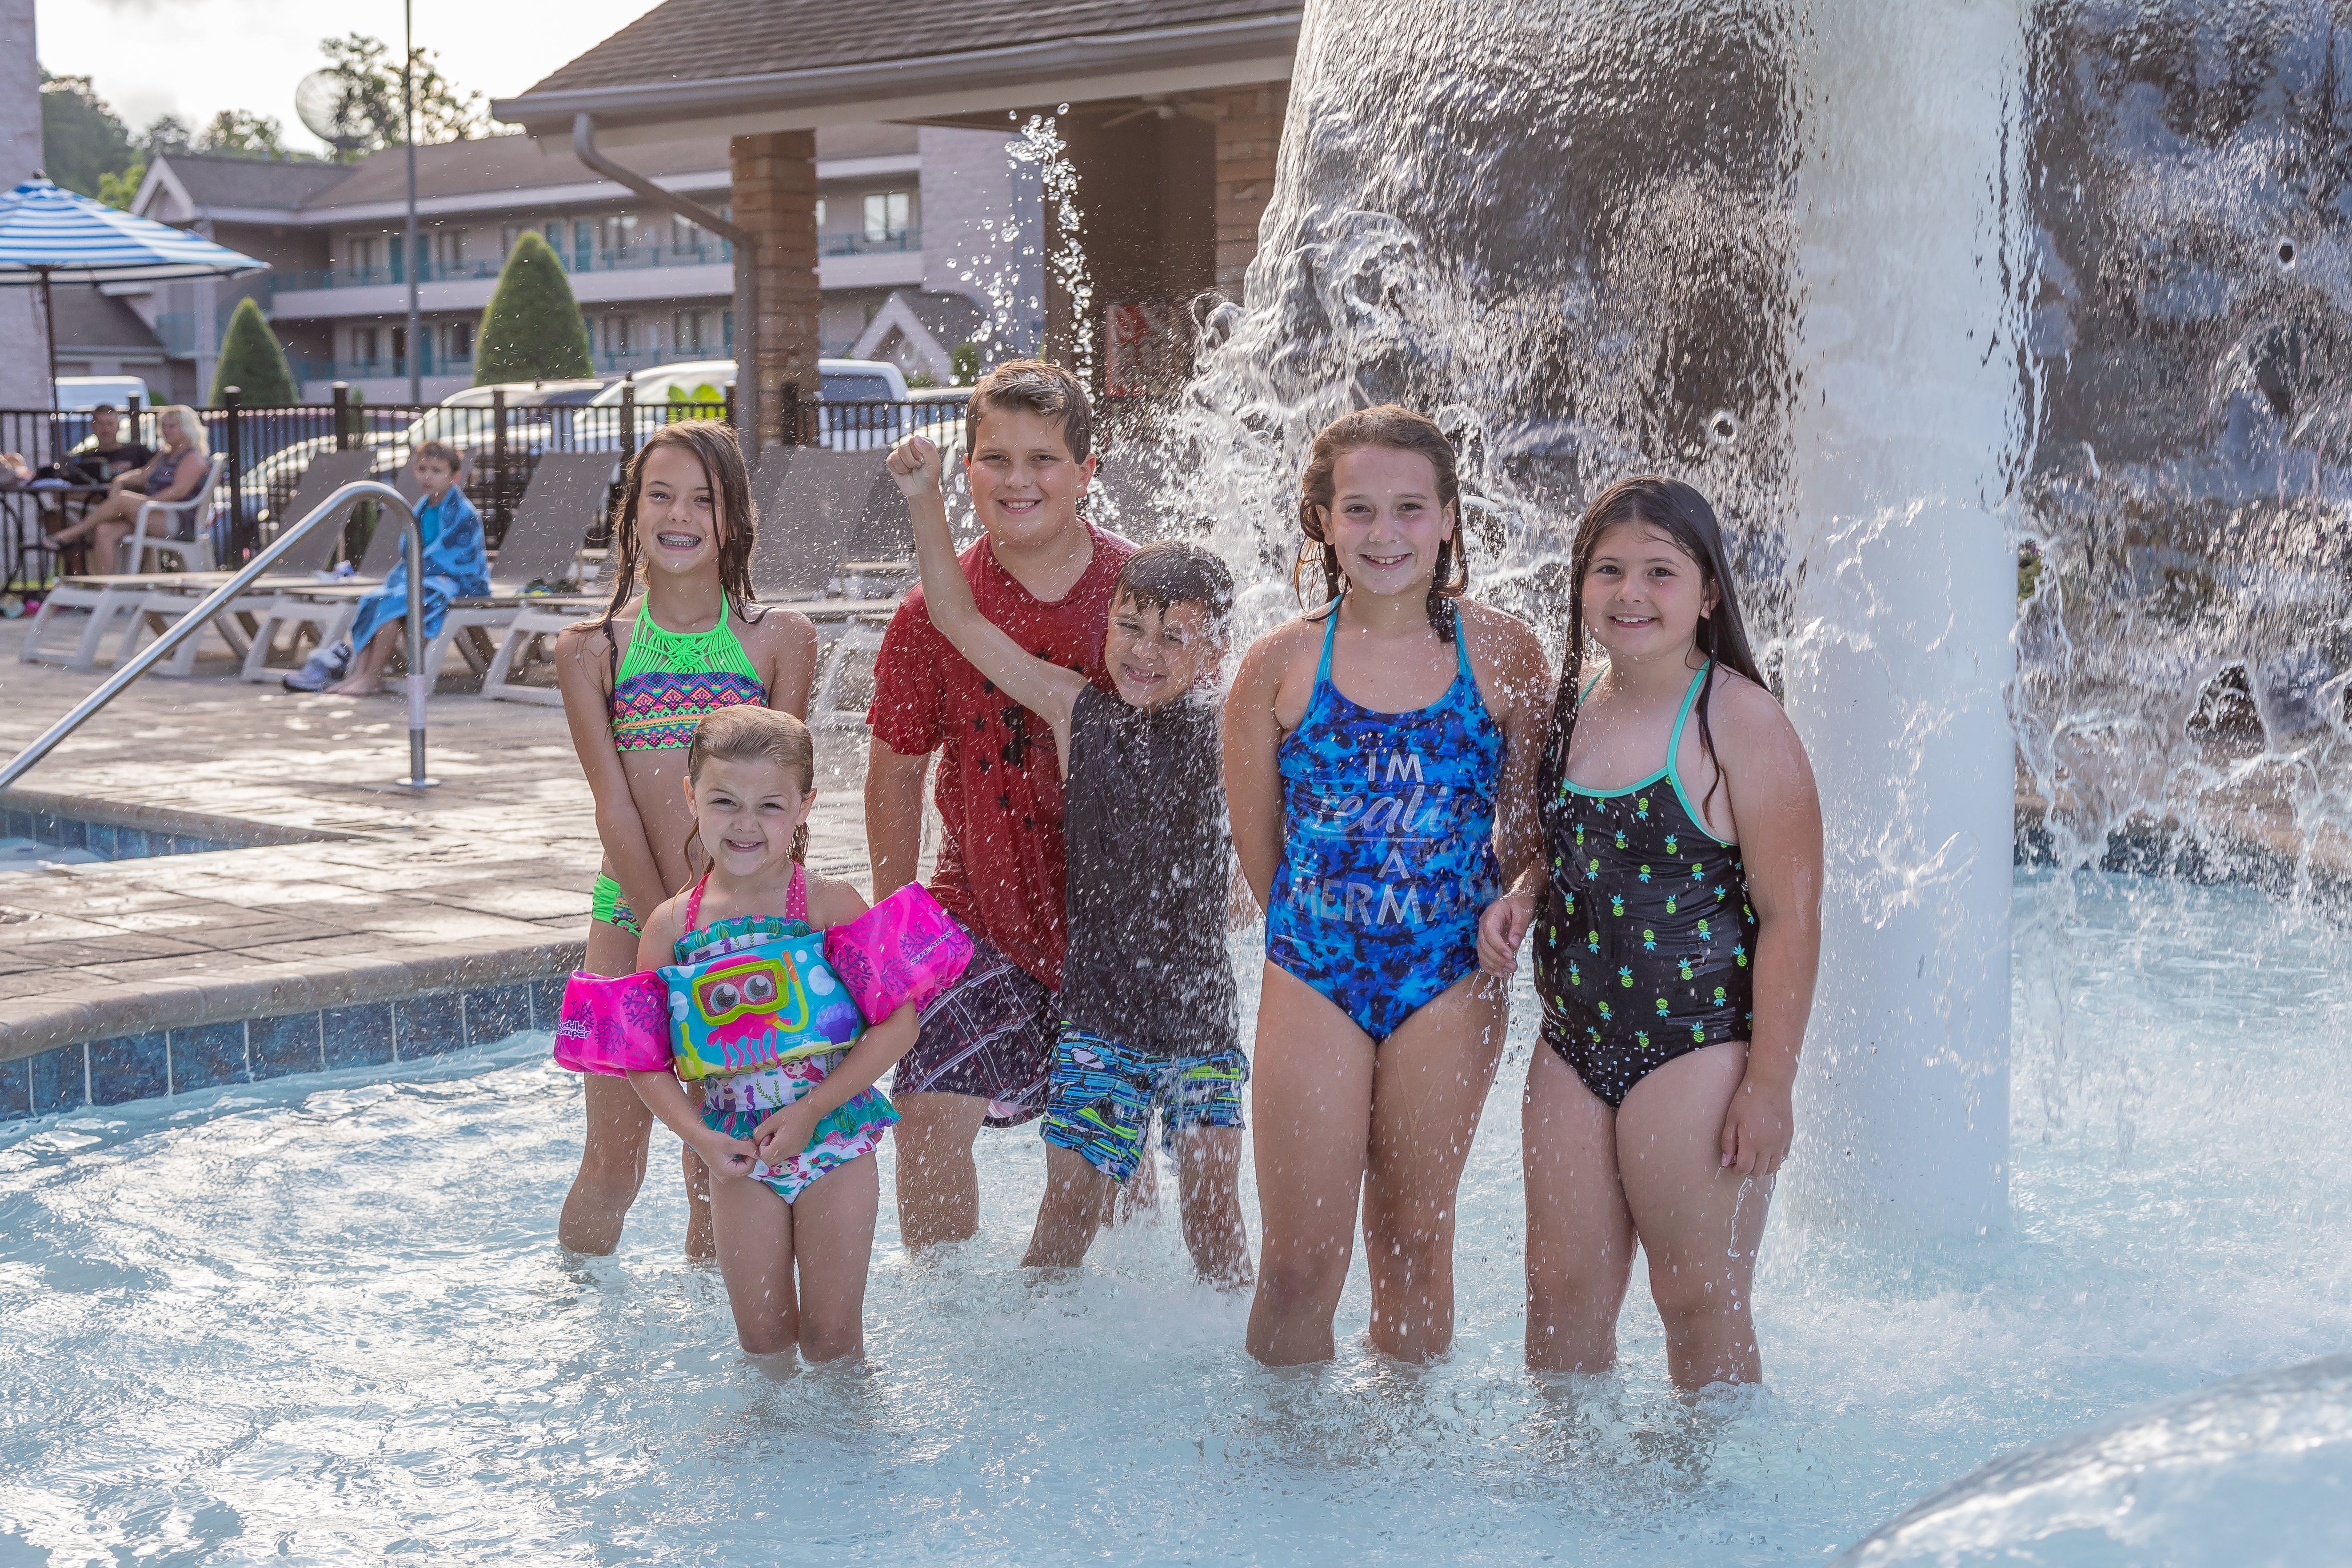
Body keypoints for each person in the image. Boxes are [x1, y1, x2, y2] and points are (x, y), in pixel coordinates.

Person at [1224, 405, 1553, 1365]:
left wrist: (1516, 897)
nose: (1385, 534)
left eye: (1410, 509)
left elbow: (1531, 835)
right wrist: (1328, 931)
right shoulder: (1280, 666)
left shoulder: (1502, 656)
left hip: (1448, 979)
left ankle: (1402, 1486)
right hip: (1315, 974)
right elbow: (1263, 852)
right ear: (1322, 522)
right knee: (1295, 1266)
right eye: (1359, 510)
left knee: (1413, 1240)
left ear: (1449, 518)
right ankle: (1286, 1485)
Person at [1479, 476, 1821, 1389]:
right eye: (1609, 571)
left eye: (1660, 573)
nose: (1631, 593)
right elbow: (1572, 852)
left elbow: (1791, 918)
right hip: (1574, 1043)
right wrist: (1524, 894)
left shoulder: (1738, 723)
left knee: (1696, 1298)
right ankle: (1572, 1506)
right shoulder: (1573, 705)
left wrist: (1770, 1086)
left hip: (1697, 1049)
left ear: (1708, 593)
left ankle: (1708, 1515)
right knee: (1556, 1291)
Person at [884, 430, 1250, 1286]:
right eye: (1128, 627)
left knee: (1215, 1221)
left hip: (1200, 1021)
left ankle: (1245, 1390)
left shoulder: (1235, 730)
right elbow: (960, 620)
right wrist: (925, 502)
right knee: (1066, 1219)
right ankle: (1032, 1368)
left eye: (1174, 636)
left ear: (1215, 651)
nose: (1144, 651)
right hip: (1100, 1021)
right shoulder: (1077, 713)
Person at [864, 360, 1136, 1249]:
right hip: (973, 905)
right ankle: (947, 1327)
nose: (1018, 480)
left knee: (1109, 1162)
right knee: (928, 1110)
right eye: (995, 459)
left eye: (1044, 459)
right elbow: (896, 773)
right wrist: (890, 919)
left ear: (1088, 471)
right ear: (967, 469)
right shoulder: (928, 613)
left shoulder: (1137, 602)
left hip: (1108, 930)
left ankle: (1089, 1326)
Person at [551, 421, 820, 1257]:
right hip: (631, 924)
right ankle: (579, 1325)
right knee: (612, 1162)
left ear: (734, 518)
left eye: (702, 499)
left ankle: (721, 1346)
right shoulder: (593, 648)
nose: (679, 515)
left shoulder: (779, 639)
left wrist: (734, 928)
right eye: (659, 495)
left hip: (748, 933)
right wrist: (670, 928)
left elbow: (782, 810)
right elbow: (615, 808)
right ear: (631, 513)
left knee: (727, 1168)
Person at [624, 706, 918, 1358]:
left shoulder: (829, 904)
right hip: (737, 1153)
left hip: (833, 1140)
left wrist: (814, 1107)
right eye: (724, 801)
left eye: (770, 805)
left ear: (806, 805)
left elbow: (900, 1022)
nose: (746, 823)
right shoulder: (671, 928)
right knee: (762, 1345)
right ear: (690, 795)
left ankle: (849, 1460)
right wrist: (699, 1136)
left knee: (832, 1341)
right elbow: (643, 1061)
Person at [293, 442, 491, 697]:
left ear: (455, 476)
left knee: (392, 604)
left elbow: (455, 556)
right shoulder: (421, 507)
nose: (428, 476)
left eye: (437, 470)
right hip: (427, 578)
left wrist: (418, 573)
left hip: (459, 580)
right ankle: (360, 674)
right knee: (374, 600)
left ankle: (373, 678)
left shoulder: (463, 512)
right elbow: (409, 550)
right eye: (422, 469)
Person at [44, 404, 209, 571]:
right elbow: (143, 475)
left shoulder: (192, 458)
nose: (166, 431)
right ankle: (108, 587)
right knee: (104, 531)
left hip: (178, 521)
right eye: (164, 426)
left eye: (172, 426)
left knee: (123, 499)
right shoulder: (164, 455)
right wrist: (120, 480)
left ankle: (72, 534)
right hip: (155, 513)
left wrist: (145, 503)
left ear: (187, 428)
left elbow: (178, 492)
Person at [68, 406, 154, 485]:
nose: (106, 429)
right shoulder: (85, 458)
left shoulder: (138, 451)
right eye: (101, 424)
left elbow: (154, 476)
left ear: (118, 426)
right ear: (93, 426)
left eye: (110, 424)